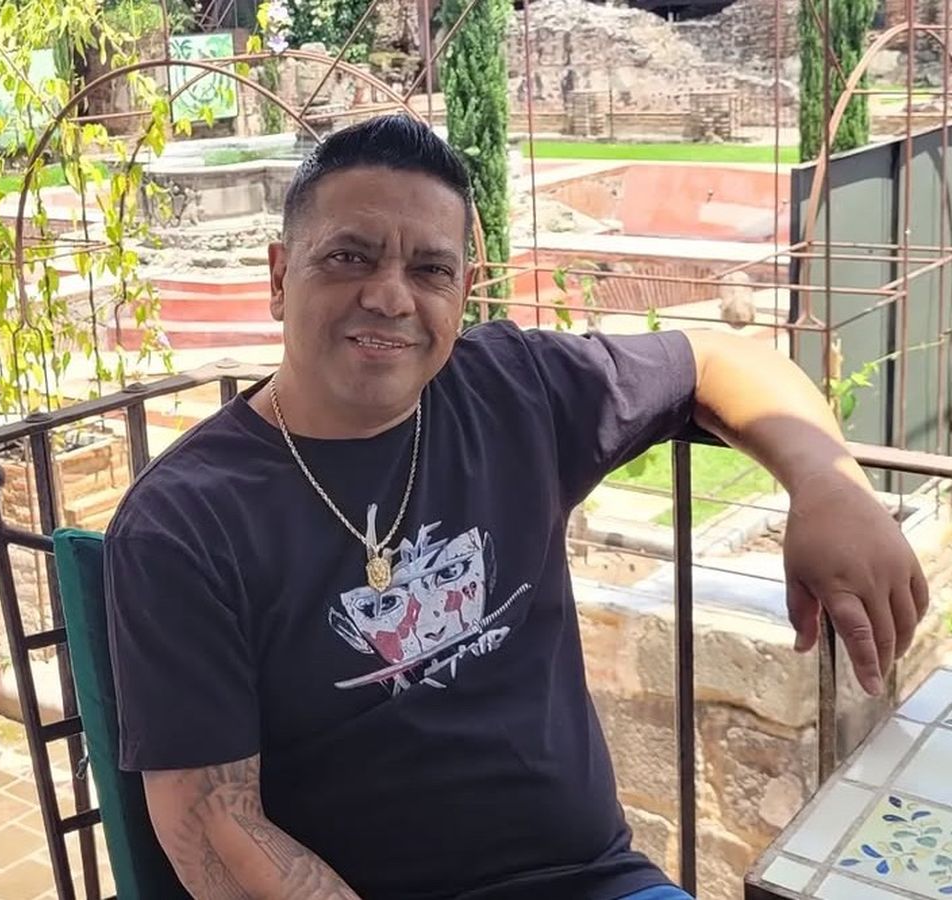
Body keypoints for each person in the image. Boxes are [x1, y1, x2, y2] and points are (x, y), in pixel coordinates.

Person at [103, 115, 929, 900]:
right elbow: (217, 827)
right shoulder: (186, 522)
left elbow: (718, 359)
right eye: (349, 257)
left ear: (465, 290)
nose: (389, 297)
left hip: (597, 880)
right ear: (281, 276)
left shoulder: (512, 390)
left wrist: (829, 483)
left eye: (430, 270)